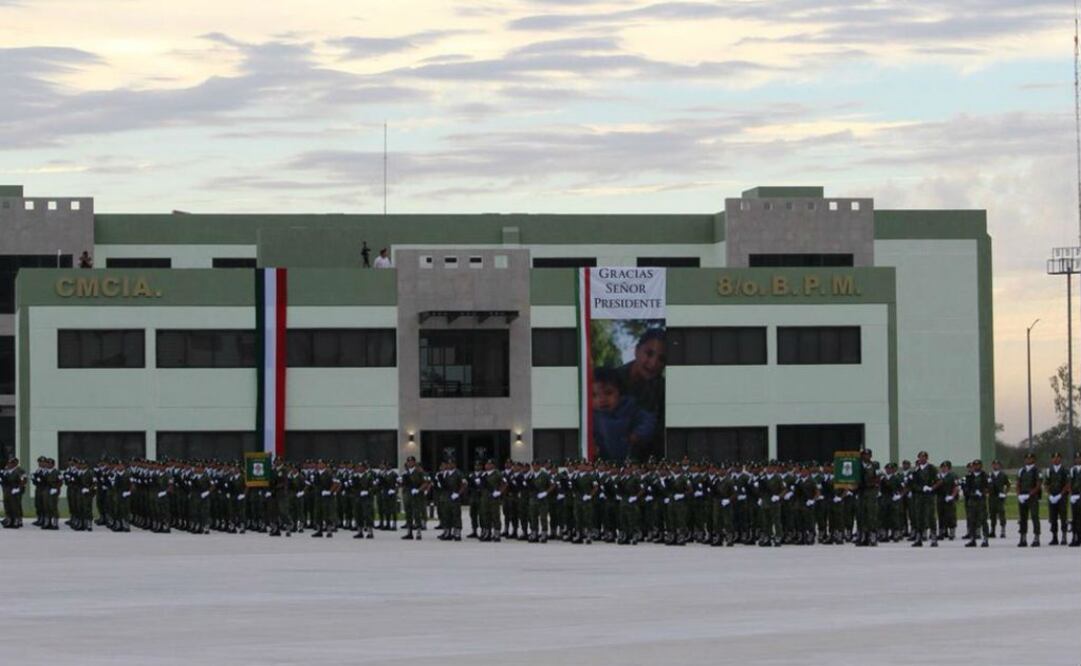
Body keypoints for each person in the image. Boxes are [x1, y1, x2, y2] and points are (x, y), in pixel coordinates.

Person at [614, 328, 666, 460]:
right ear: (636, 350)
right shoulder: (611, 380)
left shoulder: (663, 391)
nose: (653, 363)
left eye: (661, 359)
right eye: (649, 353)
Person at [592, 367, 656, 461]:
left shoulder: (628, 407)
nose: (602, 399)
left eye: (608, 393)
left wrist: (638, 434)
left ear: (619, 392)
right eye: (594, 395)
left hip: (629, 459)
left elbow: (648, 420)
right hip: (602, 461)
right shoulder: (591, 416)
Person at [1016, 453, 1041, 547]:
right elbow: (1018, 483)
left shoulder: (1036, 470)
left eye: (1030, 458)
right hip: (1022, 497)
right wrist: (1019, 495)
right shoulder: (1021, 470)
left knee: (1034, 516)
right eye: (1027, 458)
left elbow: (1038, 485)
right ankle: (1023, 537)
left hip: (1032, 497)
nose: (1028, 460)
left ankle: (1036, 537)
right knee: (1022, 518)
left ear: (1034, 459)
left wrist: (1030, 494)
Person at [1044, 452, 1070, 545]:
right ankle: (1054, 537)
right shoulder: (1049, 470)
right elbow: (1046, 484)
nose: (1056, 459)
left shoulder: (1065, 470)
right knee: (1053, 517)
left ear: (1060, 459)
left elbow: (1067, 484)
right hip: (1052, 496)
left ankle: (1064, 537)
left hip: (1062, 497)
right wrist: (1049, 495)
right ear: (1051, 460)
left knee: (1063, 517)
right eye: (1054, 458)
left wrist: (1060, 494)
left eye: (1058, 457)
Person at [963, 459, 989, 547]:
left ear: (981, 466)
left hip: (981, 501)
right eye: (974, 465)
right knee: (972, 520)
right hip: (972, 501)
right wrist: (972, 493)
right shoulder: (969, 476)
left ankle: (985, 539)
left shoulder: (984, 475)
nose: (976, 467)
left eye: (978, 465)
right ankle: (972, 539)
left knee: (983, 520)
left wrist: (982, 492)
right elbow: (966, 488)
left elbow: (988, 486)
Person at [1, 457, 27, 528]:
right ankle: (9, 520)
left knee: (15, 505)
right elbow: (3, 478)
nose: (9, 464)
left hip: (15, 489)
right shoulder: (6, 470)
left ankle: (16, 520)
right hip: (7, 490)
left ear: (15, 464)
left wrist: (19, 488)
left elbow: (23, 480)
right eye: (9, 463)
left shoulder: (20, 471)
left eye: (11, 463)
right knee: (7, 504)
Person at [988, 459, 1009, 539]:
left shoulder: (1003, 475)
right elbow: (986, 485)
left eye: (997, 464)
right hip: (992, 497)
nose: (995, 466)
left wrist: (1005, 493)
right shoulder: (989, 475)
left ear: (999, 466)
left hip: (1000, 498)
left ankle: (1003, 530)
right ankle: (992, 530)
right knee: (992, 514)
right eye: (994, 464)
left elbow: (1008, 485)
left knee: (1001, 513)